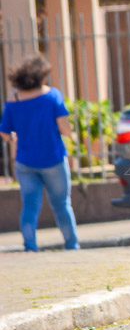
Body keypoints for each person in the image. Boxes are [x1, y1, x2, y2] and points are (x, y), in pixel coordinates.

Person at [0, 55, 80, 251]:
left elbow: (4, 131)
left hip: (25, 162)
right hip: (53, 158)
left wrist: (12, 139)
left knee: (29, 206)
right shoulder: (53, 96)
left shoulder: (13, 102)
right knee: (61, 204)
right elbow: (63, 126)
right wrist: (73, 136)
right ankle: (71, 245)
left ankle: (30, 246)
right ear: (40, 77)